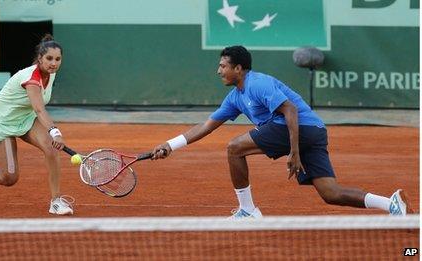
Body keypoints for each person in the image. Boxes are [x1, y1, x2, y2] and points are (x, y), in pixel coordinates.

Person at [151, 45, 412, 219]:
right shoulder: (234, 97)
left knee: (234, 148)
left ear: (238, 68)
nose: (218, 70)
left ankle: (248, 211)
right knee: (330, 193)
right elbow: (206, 126)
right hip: (313, 132)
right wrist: (170, 145)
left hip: (303, 128)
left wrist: (294, 152)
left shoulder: (258, 83)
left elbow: (290, 111)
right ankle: (389, 203)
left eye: (223, 66)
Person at [0, 34, 73, 215]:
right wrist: (55, 132)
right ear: (40, 58)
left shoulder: (51, 74)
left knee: (51, 149)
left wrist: (51, 138)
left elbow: (35, 110)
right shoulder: (31, 78)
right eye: (49, 58)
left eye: (57, 59)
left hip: (24, 118)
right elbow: (39, 109)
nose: (53, 63)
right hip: (3, 121)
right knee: (9, 178)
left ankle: (56, 202)